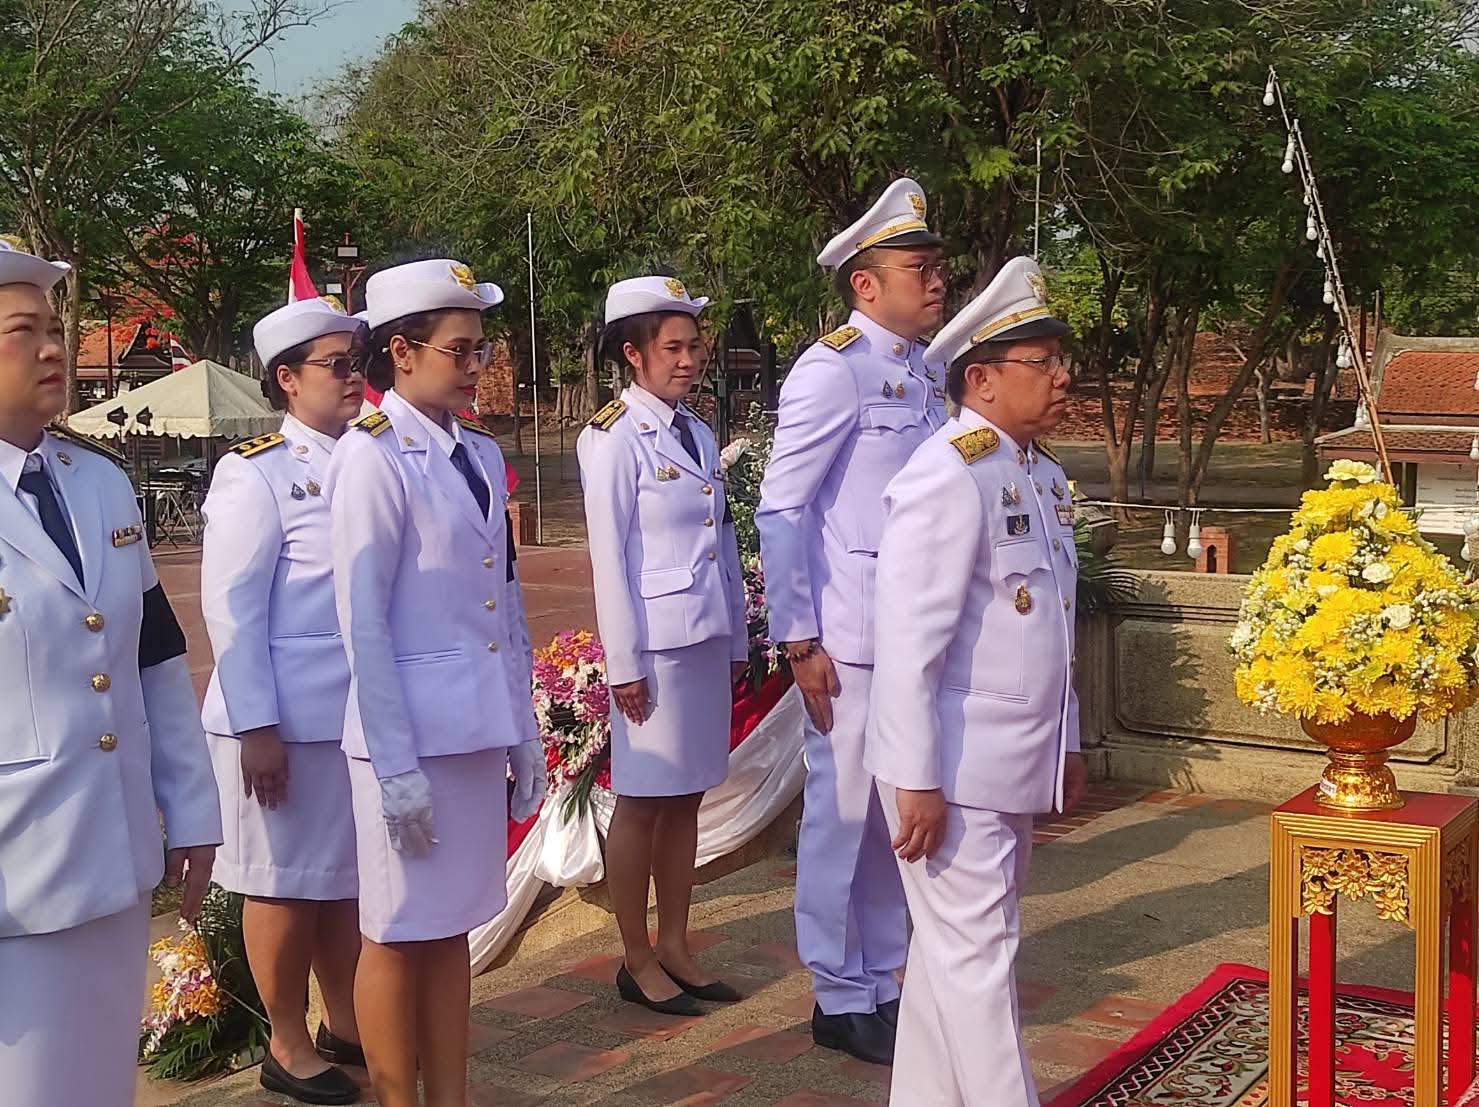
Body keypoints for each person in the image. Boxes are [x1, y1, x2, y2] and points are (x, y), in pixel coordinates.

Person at [0, 237, 220, 1106]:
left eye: (53, 328)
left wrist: (192, 806)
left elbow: (153, 656)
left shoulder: (98, 484)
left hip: (115, 850)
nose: (52, 348)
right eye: (24, 331)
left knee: (99, 1085)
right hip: (16, 878)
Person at [867, 256, 1088, 1107]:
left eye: (1060, 359)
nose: (1062, 375)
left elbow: (1051, 628)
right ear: (983, 380)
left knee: (949, 959)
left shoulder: (1037, 475)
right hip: (951, 772)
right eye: (1043, 362)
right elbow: (907, 645)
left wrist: (1064, 742)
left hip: (1007, 761)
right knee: (979, 964)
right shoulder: (945, 472)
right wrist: (913, 776)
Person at [327, 258, 546, 1107]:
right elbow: (365, 624)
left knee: (450, 928)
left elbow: (506, 606)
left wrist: (522, 727)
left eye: (479, 347)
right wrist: (395, 765)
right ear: (402, 351)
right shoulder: (371, 458)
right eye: (458, 348)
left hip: (469, 730)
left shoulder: (479, 455)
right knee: (392, 932)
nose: (474, 363)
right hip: (407, 738)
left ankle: (449, 1096)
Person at [755, 177, 948, 1064]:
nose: (935, 280)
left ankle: (881, 975)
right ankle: (837, 988)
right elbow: (782, 509)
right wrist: (798, 636)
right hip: (848, 636)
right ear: (865, 284)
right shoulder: (830, 369)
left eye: (936, 266)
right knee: (842, 813)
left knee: (889, 820)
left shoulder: (928, 370)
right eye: (918, 267)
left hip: (914, 632)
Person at [199, 297, 369, 1105]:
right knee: (279, 882)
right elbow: (232, 608)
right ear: (287, 379)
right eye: (337, 364)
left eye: (356, 361)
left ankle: (346, 1020)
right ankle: (287, 1040)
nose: (353, 377)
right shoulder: (255, 471)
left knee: (339, 879)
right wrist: (257, 724)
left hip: (347, 717)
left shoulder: (368, 455)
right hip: (278, 723)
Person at [577, 275, 750, 1017]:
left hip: (703, 636)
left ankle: (676, 942)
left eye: (693, 345)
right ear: (632, 352)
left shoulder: (697, 430)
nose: (689, 359)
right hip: (652, 650)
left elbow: (722, 539)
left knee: (686, 798)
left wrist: (738, 632)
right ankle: (636, 955)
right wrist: (623, 665)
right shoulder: (611, 436)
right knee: (642, 805)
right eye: (673, 347)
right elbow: (608, 557)